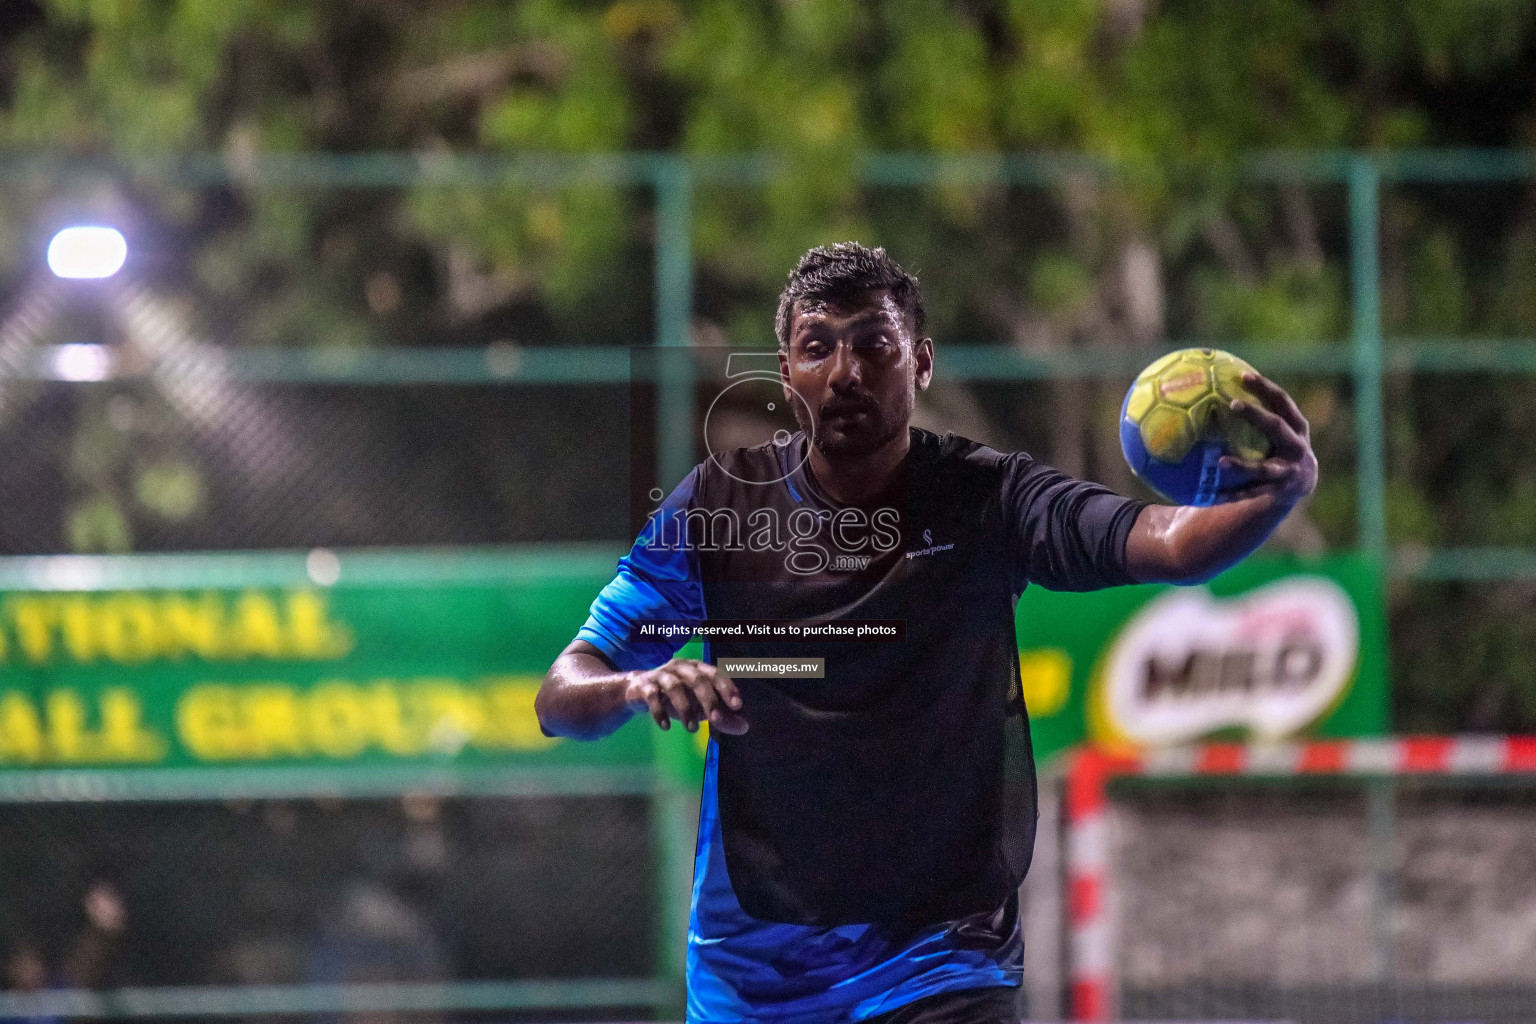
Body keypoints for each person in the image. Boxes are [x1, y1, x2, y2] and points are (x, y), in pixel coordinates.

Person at [536, 243, 1317, 1024]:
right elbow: (562, 696)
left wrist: (1280, 492)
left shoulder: (989, 497)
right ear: (786, 374)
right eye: (818, 348)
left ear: (922, 365)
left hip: (942, 958)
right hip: (759, 975)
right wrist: (634, 684)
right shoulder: (718, 508)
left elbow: (1169, 543)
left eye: (874, 345)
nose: (845, 372)